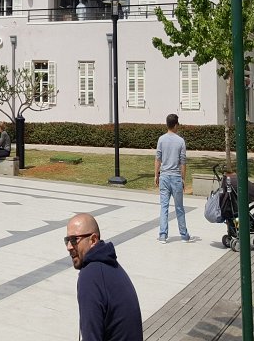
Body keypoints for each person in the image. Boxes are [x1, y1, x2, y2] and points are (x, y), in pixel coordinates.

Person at [65, 212, 143, 341]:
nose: (69, 247)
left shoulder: (90, 276)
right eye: (67, 240)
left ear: (93, 240)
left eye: (74, 240)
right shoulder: (111, 265)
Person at [155, 113, 191, 243]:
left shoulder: (161, 139)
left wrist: (156, 174)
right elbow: (183, 162)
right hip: (176, 177)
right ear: (175, 125)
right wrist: (183, 178)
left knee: (164, 207)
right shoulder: (180, 141)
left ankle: (163, 235)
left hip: (164, 176)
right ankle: (184, 235)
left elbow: (158, 158)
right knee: (179, 207)